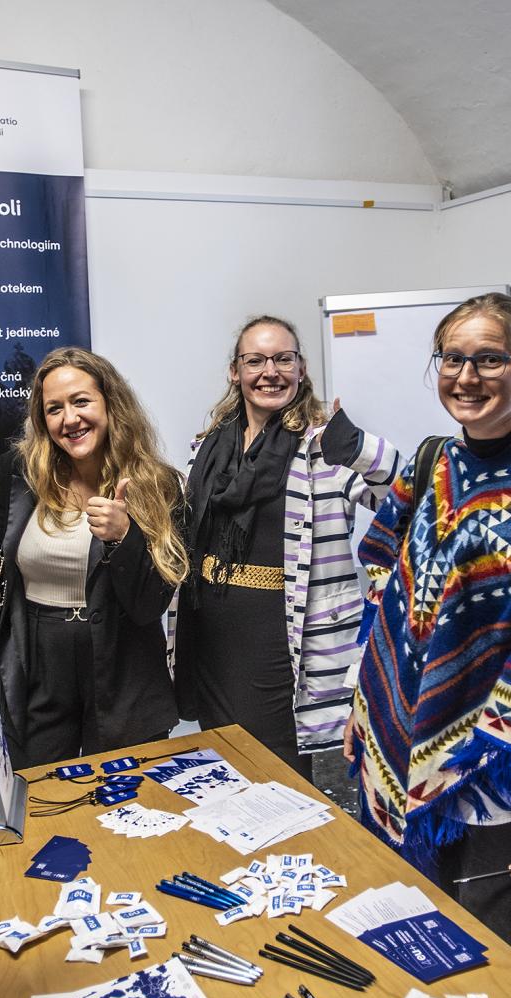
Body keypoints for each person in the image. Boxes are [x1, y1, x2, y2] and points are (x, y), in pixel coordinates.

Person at [342, 293, 511, 966]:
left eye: (490, 359)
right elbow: (391, 578)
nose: (467, 376)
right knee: (417, 941)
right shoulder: (435, 461)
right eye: (453, 358)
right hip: (408, 744)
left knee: (498, 964)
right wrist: (363, 697)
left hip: (503, 782)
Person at [171, 315, 401, 780]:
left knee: (275, 769)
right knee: (220, 759)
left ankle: (288, 851)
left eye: (282, 359)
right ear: (235, 372)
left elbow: (398, 489)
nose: (269, 371)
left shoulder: (321, 447)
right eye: (255, 360)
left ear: (301, 368)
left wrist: (355, 444)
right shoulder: (209, 448)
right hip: (211, 628)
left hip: (280, 636)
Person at [0, 348, 188, 767]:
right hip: (36, 662)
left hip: (123, 667)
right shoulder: (19, 472)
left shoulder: (158, 483)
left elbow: (149, 606)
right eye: (53, 408)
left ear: (111, 404)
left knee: (127, 803)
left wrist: (123, 537)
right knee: (37, 795)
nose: (68, 419)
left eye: (81, 401)